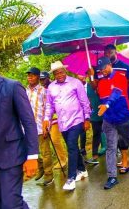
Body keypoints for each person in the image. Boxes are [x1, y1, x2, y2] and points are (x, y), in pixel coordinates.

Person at [0, 49, 38, 208]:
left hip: (10, 154)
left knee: (12, 204)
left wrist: (32, 156)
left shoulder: (11, 86)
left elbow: (28, 121)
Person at [96, 57, 129, 189]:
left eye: (104, 68)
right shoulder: (101, 82)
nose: (102, 71)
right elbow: (102, 98)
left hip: (124, 117)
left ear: (109, 65)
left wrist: (107, 104)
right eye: (100, 69)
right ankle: (112, 177)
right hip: (109, 120)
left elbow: (117, 92)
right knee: (111, 147)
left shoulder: (120, 76)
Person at [43, 61, 91, 191]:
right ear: (53, 75)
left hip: (76, 120)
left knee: (71, 147)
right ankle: (82, 170)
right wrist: (47, 118)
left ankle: (71, 178)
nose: (59, 74)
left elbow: (84, 101)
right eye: (56, 72)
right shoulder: (51, 87)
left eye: (61, 71)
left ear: (65, 71)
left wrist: (87, 118)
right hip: (62, 123)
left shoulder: (75, 83)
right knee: (73, 146)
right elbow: (49, 105)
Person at [103, 44, 129, 175]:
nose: (108, 54)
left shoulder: (124, 66)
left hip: (123, 107)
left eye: (110, 51)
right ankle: (123, 158)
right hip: (108, 109)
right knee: (113, 138)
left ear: (115, 52)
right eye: (106, 52)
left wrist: (126, 96)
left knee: (124, 136)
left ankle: (126, 159)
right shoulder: (102, 69)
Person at [26, 67, 54, 186]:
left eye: (32, 75)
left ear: (38, 77)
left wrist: (47, 125)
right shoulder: (25, 91)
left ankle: (49, 175)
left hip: (41, 126)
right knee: (32, 151)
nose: (30, 78)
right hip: (28, 128)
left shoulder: (44, 91)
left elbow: (49, 109)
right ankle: (41, 168)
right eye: (28, 76)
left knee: (45, 152)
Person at [39, 71, 68, 169]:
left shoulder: (53, 87)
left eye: (43, 79)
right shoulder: (42, 89)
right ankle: (61, 158)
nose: (42, 81)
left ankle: (63, 159)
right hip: (47, 119)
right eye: (40, 79)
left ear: (48, 78)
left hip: (57, 117)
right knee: (53, 141)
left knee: (56, 140)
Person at [77, 74, 103, 165]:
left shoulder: (92, 85)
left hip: (99, 112)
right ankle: (93, 154)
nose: (81, 77)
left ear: (86, 76)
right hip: (88, 115)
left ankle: (115, 150)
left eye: (82, 76)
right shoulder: (76, 89)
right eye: (79, 76)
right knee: (95, 133)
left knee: (105, 132)